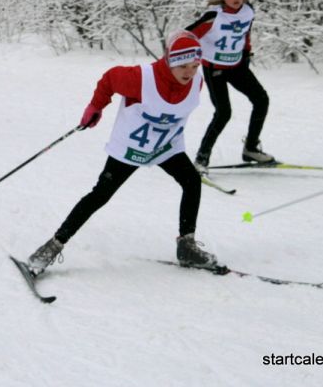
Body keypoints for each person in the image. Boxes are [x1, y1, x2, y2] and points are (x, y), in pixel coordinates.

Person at [23, 31, 218, 276]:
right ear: (169, 60)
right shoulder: (140, 78)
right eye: (182, 66)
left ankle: (187, 247)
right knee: (100, 195)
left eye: (194, 65)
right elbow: (109, 79)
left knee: (191, 182)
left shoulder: (196, 82)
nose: (189, 72)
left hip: (166, 146)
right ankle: (51, 247)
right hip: (130, 148)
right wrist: (96, 106)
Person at [186, 0, 272, 174]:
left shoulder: (248, 11)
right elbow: (186, 36)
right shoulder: (213, 16)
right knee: (224, 113)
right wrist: (184, 63)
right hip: (214, 69)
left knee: (261, 100)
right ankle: (201, 159)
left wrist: (246, 53)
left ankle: (250, 149)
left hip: (237, 66)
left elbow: (245, 34)